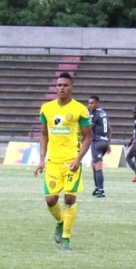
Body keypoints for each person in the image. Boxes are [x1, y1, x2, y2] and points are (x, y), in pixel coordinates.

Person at [35, 72, 92, 251]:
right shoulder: (46, 108)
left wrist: (78, 159)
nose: (61, 88)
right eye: (59, 85)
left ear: (71, 88)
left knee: (69, 197)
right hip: (53, 161)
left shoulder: (80, 109)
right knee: (51, 200)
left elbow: (88, 136)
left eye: (65, 85)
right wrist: (41, 159)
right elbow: (44, 134)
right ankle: (60, 221)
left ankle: (66, 237)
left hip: (71, 162)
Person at [87, 95, 111, 198]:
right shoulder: (103, 113)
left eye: (92, 103)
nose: (89, 105)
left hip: (97, 141)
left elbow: (89, 127)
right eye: (89, 103)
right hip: (104, 142)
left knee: (97, 165)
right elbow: (110, 128)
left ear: (97, 103)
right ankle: (97, 188)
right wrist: (108, 143)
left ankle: (101, 190)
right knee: (93, 164)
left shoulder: (95, 114)